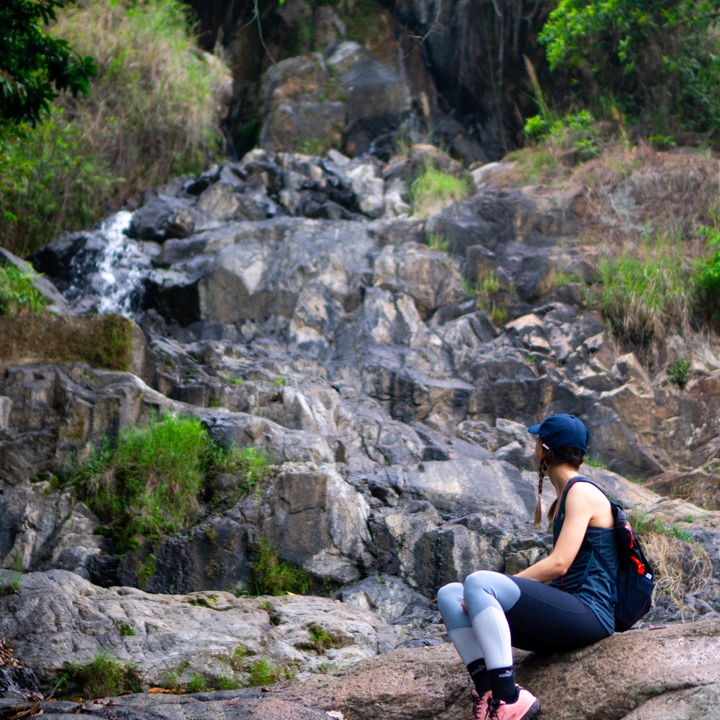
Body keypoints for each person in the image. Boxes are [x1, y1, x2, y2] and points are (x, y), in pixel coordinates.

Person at [436, 414, 618, 720]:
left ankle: (511, 698)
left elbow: (560, 563)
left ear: (543, 449)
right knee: (450, 594)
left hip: (591, 615)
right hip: (565, 621)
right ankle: (490, 694)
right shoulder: (565, 497)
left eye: (537, 440)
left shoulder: (582, 493)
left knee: (480, 584)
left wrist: (491, 589)